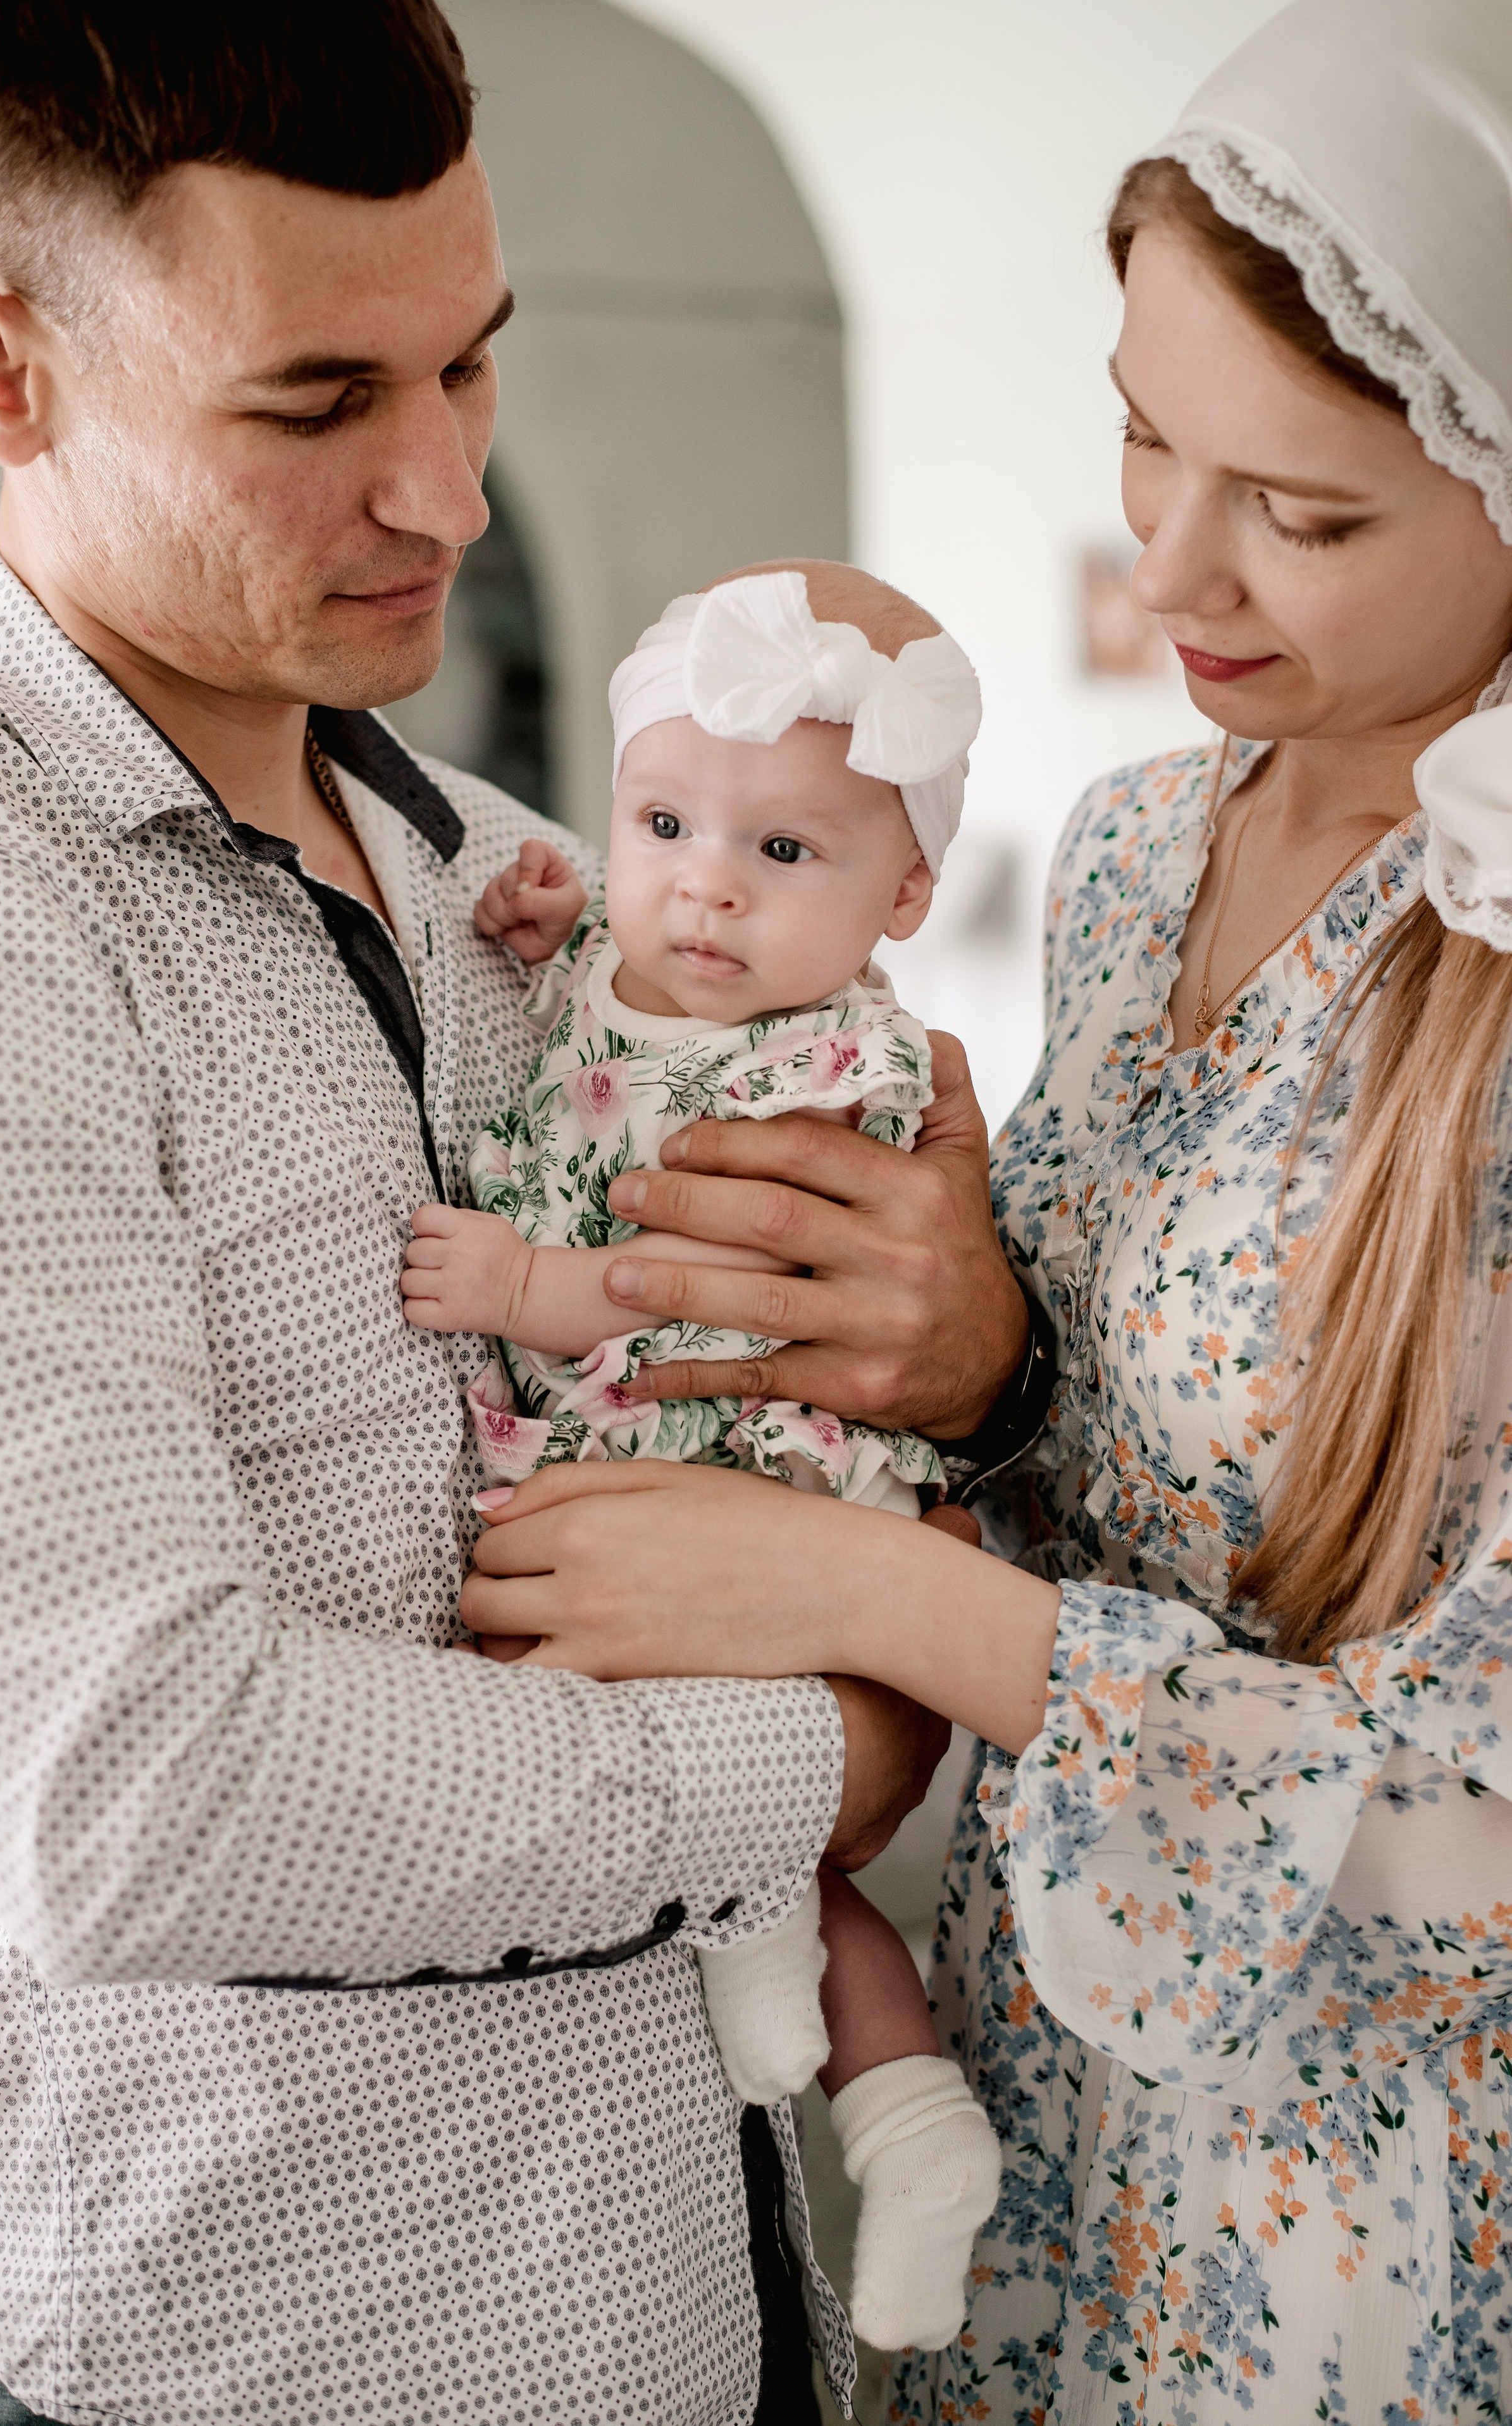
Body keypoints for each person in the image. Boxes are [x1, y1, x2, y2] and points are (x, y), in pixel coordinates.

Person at [0, 8, 1027, 2423]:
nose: (448, 499)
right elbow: (140, 1792)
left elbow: (832, 1393)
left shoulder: (524, 877)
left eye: (470, 372)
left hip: (722, 2310)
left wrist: (970, 1351)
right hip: (278, 2371)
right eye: (315, 409)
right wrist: (831, 1742)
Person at [453, 1, 1512, 2416]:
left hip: (1366, 2227)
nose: (1170, 565)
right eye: (1144, 434)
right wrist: (980, 1365)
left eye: (1308, 511)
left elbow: (1475, 1825)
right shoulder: (1146, 851)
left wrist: (856, 1592)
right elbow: (1118, 1452)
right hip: (1046, 2125)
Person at [402, 559, 1000, 2353]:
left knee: (749, 1812)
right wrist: (543, 907)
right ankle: (908, 2121)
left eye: (784, 855)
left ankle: (837, 2054)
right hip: (663, 1493)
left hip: (761, 1484)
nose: (707, 885)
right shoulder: (634, 962)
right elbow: (591, 969)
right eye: (664, 821)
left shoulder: (843, 1068)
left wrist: (526, 1281)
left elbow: (710, 1289)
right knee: (775, 1857)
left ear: (905, 893)